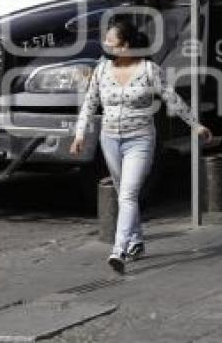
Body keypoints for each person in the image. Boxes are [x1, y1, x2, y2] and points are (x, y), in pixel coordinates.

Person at [70, 19, 212, 273]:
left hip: (140, 139)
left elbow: (172, 98)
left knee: (128, 194)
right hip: (109, 139)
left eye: (110, 41)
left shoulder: (148, 70)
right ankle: (135, 240)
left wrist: (194, 125)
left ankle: (119, 249)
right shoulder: (102, 70)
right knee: (123, 193)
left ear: (125, 46)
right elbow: (90, 104)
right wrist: (79, 134)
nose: (105, 45)